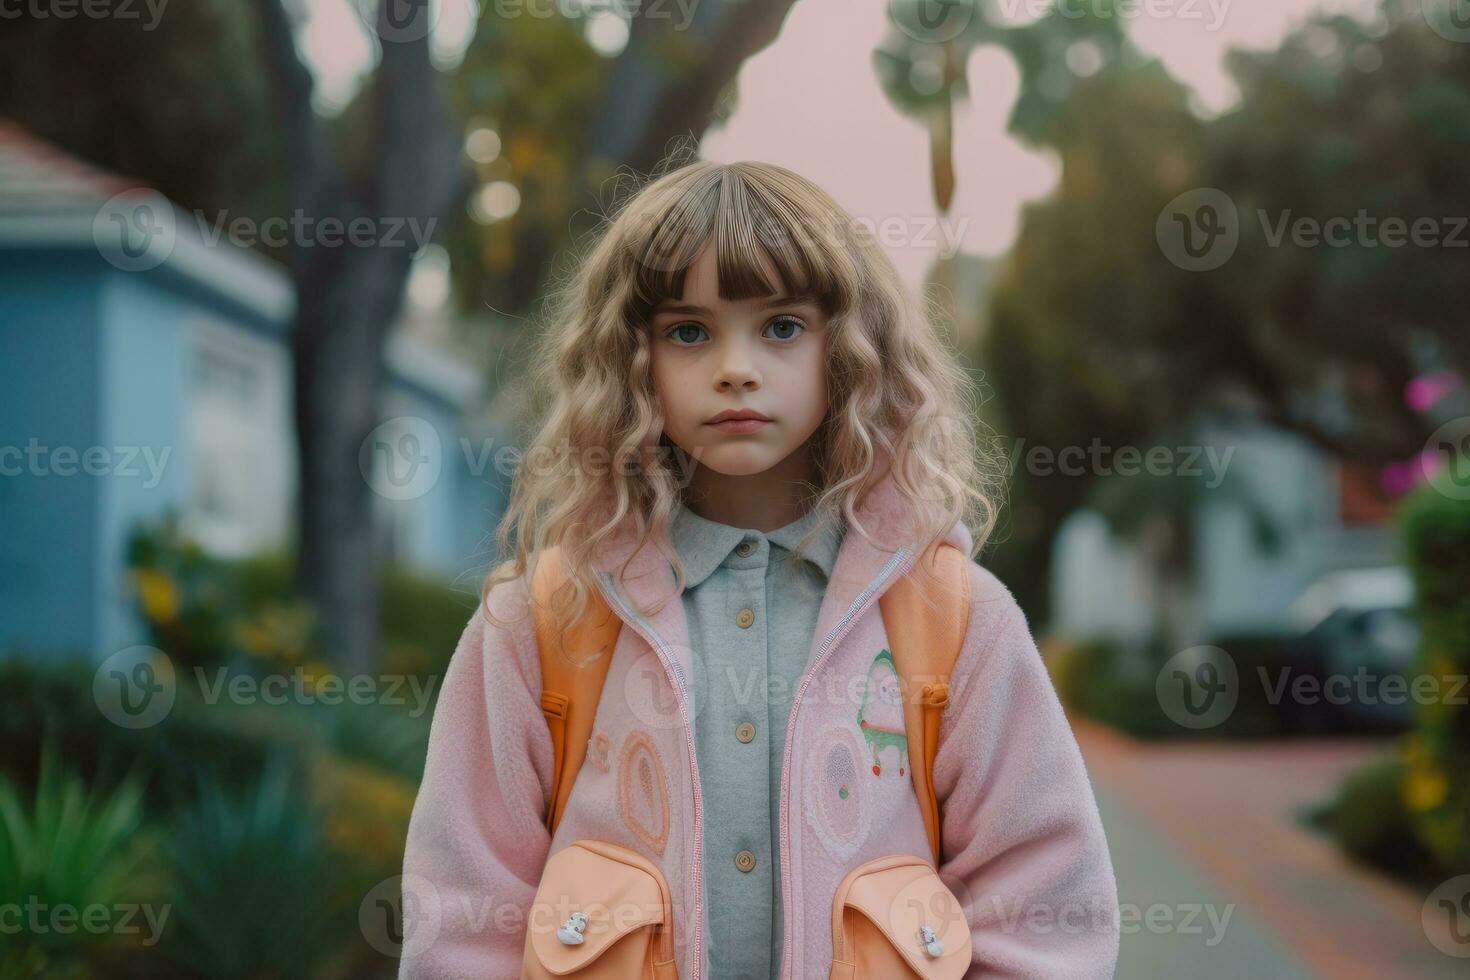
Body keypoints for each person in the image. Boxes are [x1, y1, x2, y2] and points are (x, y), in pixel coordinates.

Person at [398, 159, 1120, 979]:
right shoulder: (540, 620)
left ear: (849, 348)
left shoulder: (956, 618)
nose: (735, 366)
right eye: (689, 331)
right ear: (632, 359)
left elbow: (1045, 905)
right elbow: (463, 913)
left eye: (780, 326)